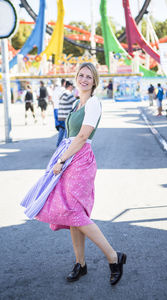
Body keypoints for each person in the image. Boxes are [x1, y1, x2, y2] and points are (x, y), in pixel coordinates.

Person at [21, 62, 126, 286]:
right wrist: (61, 158)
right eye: (81, 75)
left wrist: (61, 160)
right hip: (70, 156)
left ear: (94, 81)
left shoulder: (94, 103)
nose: (84, 79)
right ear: (76, 77)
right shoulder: (78, 102)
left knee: (76, 214)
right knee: (72, 214)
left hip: (80, 159)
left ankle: (114, 257)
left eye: (89, 76)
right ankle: (81, 263)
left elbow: (81, 137)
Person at [57, 81, 76, 147]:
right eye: (72, 87)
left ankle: (58, 145)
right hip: (66, 116)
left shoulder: (63, 93)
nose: (73, 88)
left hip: (61, 116)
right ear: (70, 86)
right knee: (67, 132)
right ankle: (66, 147)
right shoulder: (68, 94)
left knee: (62, 131)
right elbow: (76, 103)